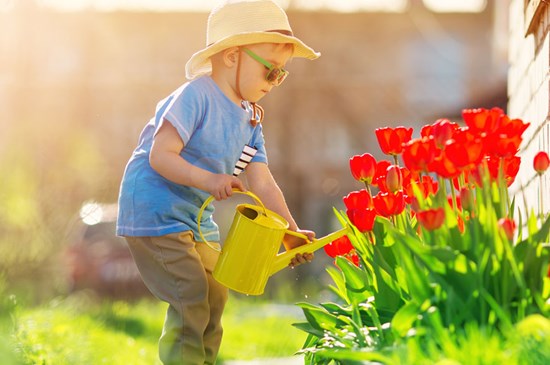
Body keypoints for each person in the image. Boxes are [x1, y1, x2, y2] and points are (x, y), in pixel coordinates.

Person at [115, 0, 321, 364]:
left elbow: (264, 183)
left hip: (195, 217)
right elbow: (160, 156)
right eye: (270, 71)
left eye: (282, 74)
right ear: (231, 56)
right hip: (156, 211)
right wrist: (209, 180)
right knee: (190, 293)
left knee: (215, 293)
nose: (275, 83)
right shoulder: (195, 97)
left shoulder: (251, 121)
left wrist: (289, 231)